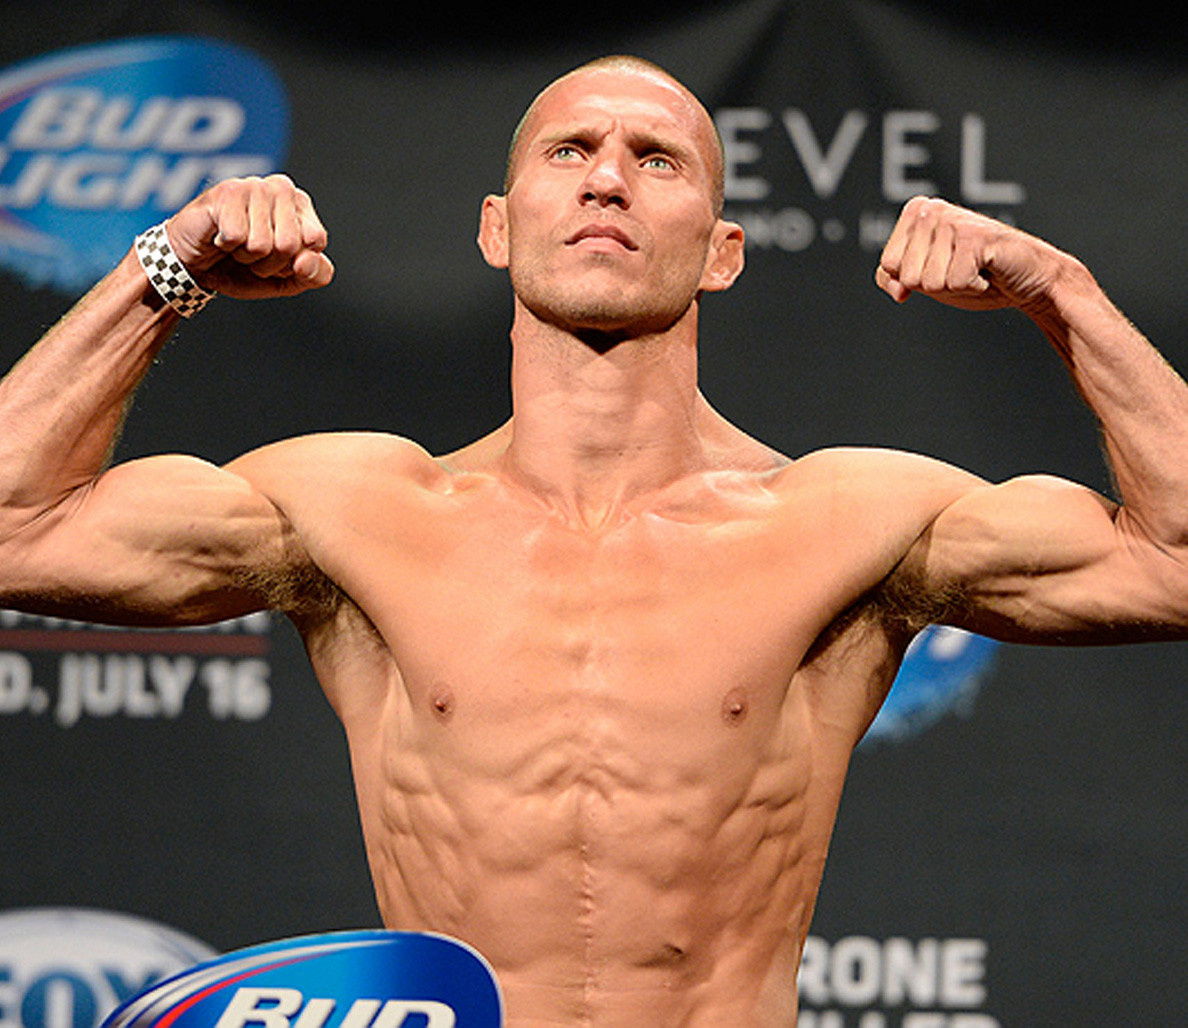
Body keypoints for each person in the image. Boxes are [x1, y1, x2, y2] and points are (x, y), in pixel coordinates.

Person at [2, 53, 1187, 1026]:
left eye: (656, 159)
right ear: (497, 228)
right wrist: (166, 271)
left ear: (722, 251)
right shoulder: (357, 510)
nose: (607, 180)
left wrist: (1064, 293)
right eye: (569, 152)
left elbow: (1171, 562)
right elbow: (19, 529)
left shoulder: (849, 521)